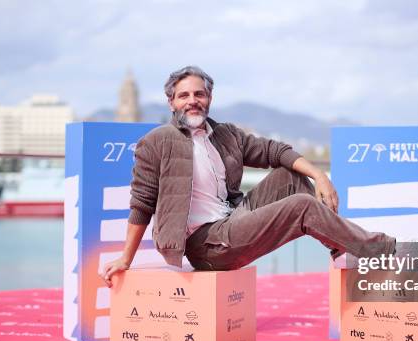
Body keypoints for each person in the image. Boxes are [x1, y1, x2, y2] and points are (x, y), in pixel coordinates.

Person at [100, 66, 395, 287]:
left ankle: (341, 250)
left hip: (231, 222)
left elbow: (275, 151)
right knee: (302, 207)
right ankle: (383, 251)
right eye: (184, 95)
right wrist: (126, 258)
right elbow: (142, 204)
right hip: (205, 246)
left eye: (199, 94)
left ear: (209, 98)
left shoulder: (226, 134)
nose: (192, 100)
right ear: (171, 102)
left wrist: (320, 175)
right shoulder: (157, 141)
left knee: (290, 177)